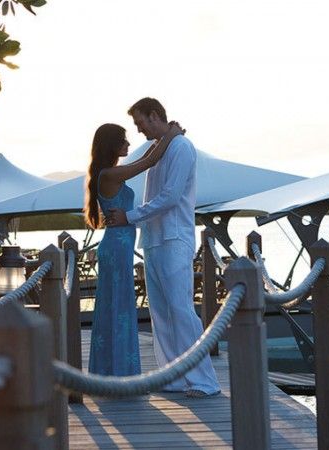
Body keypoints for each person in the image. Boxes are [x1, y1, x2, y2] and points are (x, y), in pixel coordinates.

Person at [105, 98, 221, 397]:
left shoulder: (181, 148)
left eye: (141, 123)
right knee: (161, 312)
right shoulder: (160, 147)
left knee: (181, 310)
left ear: (155, 116)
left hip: (174, 238)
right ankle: (173, 377)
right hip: (154, 240)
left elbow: (170, 196)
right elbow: (152, 178)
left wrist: (129, 217)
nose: (139, 129)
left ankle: (204, 381)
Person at [83, 122, 183, 376]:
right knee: (117, 307)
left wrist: (162, 141)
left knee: (119, 305)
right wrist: (170, 136)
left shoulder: (110, 172)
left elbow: (148, 158)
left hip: (120, 246)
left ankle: (114, 370)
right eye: (124, 140)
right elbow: (146, 163)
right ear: (113, 145)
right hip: (116, 247)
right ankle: (117, 372)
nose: (129, 144)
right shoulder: (108, 174)